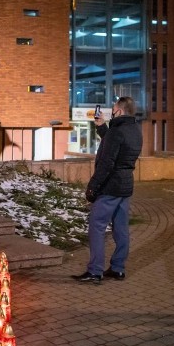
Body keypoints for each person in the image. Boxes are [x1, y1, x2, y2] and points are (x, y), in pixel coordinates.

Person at [72, 97, 143, 285]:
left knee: (96, 226)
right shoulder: (135, 130)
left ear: (119, 111)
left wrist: (93, 186)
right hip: (126, 186)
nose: (111, 112)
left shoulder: (117, 131)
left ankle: (95, 271)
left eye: (113, 109)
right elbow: (117, 147)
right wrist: (102, 127)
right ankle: (118, 268)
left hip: (110, 187)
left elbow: (107, 162)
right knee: (121, 228)